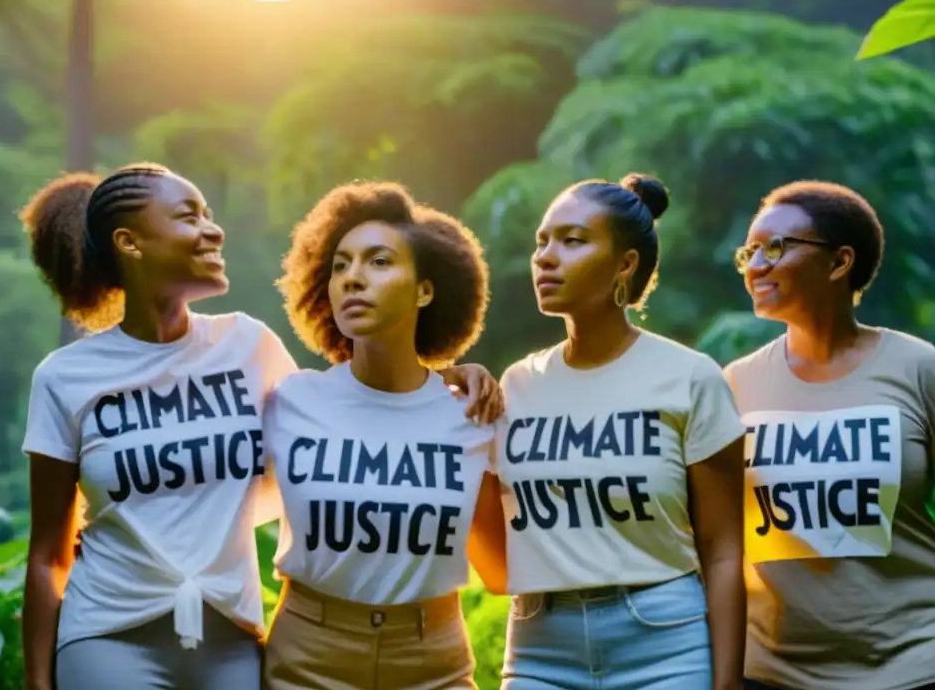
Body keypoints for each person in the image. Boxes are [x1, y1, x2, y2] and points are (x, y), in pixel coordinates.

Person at [18, 164, 501, 690]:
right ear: (130, 242)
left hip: (238, 637)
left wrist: (442, 379)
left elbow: (358, 414)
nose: (214, 229)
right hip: (126, 628)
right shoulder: (67, 377)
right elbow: (47, 551)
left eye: (209, 213)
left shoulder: (249, 347)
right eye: (190, 216)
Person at [492, 174, 746, 690]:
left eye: (572, 240)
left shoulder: (691, 378)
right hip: (541, 646)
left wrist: (726, 684)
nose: (545, 256)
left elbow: (723, 551)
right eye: (542, 241)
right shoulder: (516, 384)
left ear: (625, 264)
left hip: (664, 643)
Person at [261, 181, 507, 690]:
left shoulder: (471, 412)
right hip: (308, 655)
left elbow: (501, 572)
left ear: (426, 289)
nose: (353, 279)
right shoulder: (289, 402)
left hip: (431, 660)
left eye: (378, 262)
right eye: (340, 265)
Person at [725, 180, 935, 690]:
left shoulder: (919, 369)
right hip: (772, 674)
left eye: (776, 247)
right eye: (749, 251)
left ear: (840, 263)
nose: (756, 265)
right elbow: (715, 540)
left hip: (914, 664)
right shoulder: (731, 384)